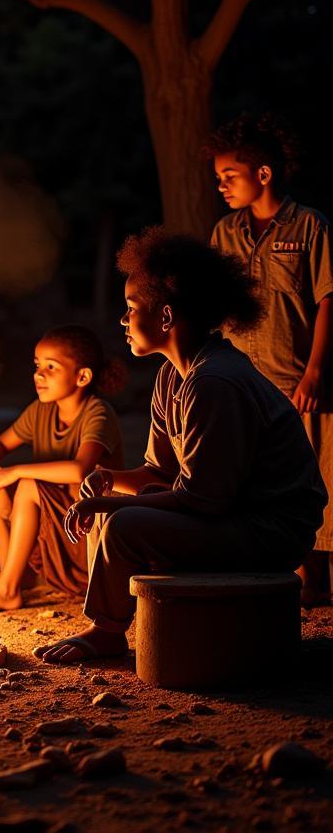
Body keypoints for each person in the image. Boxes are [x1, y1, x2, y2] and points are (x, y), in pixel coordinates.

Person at [35, 229, 327, 665]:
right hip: (232, 517)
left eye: (131, 309)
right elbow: (158, 473)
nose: (123, 320)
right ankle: (112, 622)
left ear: (166, 317)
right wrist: (110, 480)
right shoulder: (174, 375)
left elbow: (204, 500)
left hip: (270, 531)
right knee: (111, 509)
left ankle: (107, 631)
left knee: (121, 524)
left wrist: (109, 510)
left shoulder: (215, 382)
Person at [207, 113, 333, 604]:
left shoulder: (310, 226)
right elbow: (217, 308)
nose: (221, 186)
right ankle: (272, 576)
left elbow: (328, 298)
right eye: (218, 178)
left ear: (263, 174)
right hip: (245, 385)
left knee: (313, 478)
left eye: (229, 176)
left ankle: (314, 580)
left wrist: (317, 370)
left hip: (298, 382)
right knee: (255, 480)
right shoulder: (224, 233)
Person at [0, 325, 124, 612]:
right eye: (37, 365)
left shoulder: (98, 413)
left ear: (82, 376)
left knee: (26, 484)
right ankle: (13, 578)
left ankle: (6, 588)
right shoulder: (41, 411)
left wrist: (17, 472)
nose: (39, 375)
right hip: (56, 534)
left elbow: (80, 470)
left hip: (87, 539)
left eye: (51, 367)